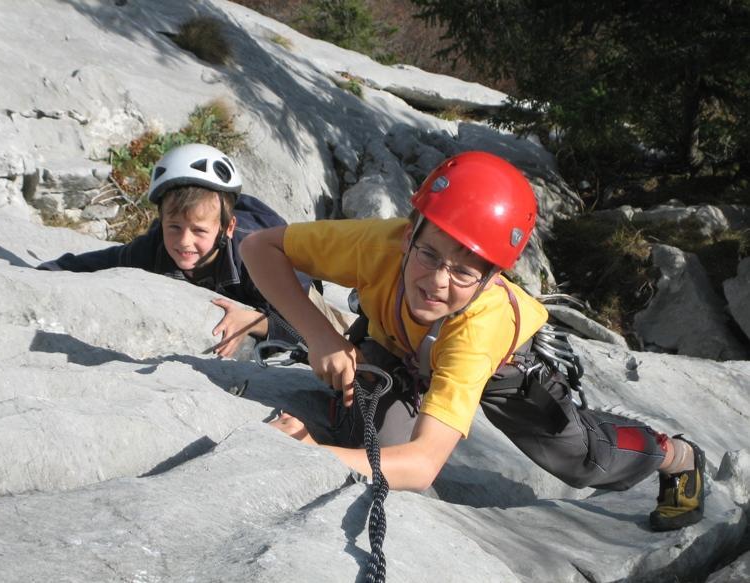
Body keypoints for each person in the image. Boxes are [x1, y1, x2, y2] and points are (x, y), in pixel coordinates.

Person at [240, 150, 705, 532]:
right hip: (398, 345)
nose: (437, 281)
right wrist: (319, 335)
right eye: (429, 253)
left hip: (503, 365)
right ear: (408, 235)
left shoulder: (479, 328)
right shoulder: (376, 245)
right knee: (374, 446)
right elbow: (258, 246)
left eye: (464, 270)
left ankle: (676, 455)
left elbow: (423, 465)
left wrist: (308, 454)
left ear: (492, 278)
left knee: (584, 459)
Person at [38, 143, 348, 357]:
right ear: (161, 221)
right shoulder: (156, 245)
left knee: (343, 341)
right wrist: (48, 272)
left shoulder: (253, 256)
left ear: (227, 228)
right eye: (174, 227)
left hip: (294, 295)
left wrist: (252, 321)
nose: (184, 241)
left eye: (199, 230)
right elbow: (102, 262)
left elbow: (304, 326)